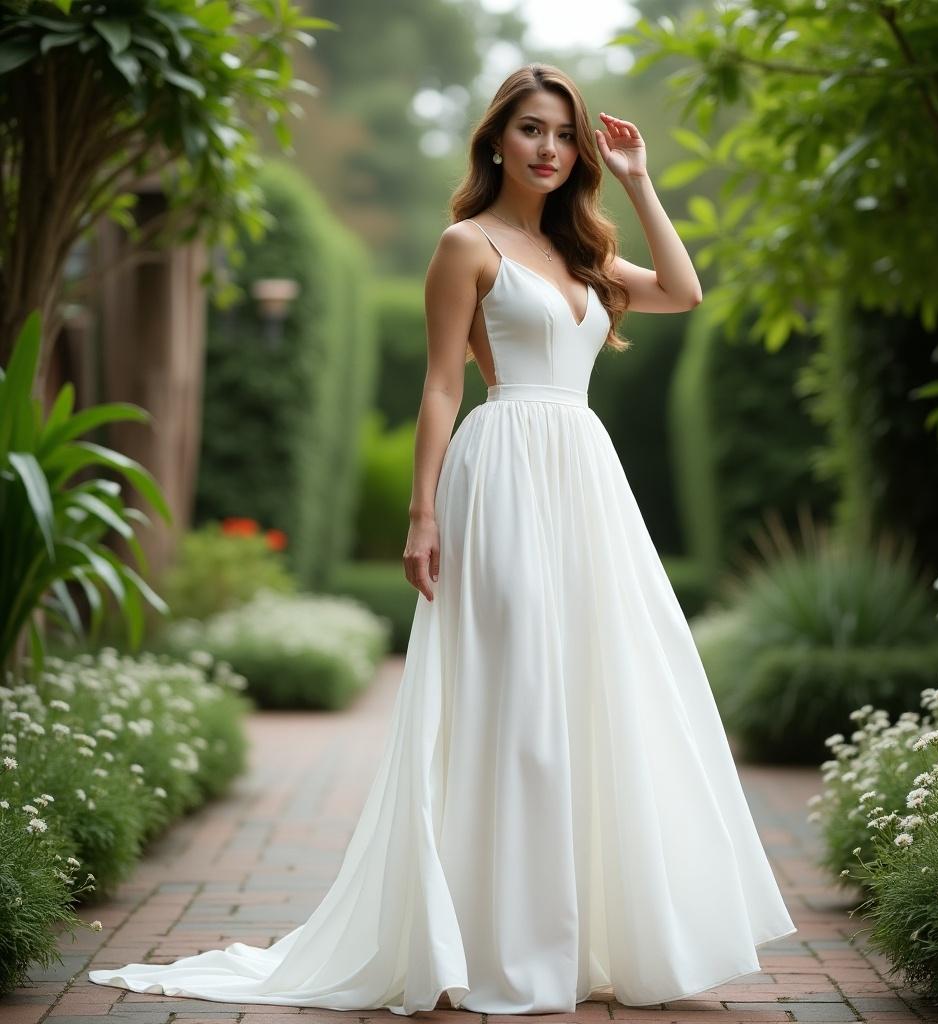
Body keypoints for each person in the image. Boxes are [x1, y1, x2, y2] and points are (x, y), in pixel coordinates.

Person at [89, 62, 796, 1016]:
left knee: (599, 687)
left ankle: (586, 933)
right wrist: (424, 513)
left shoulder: (582, 255)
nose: (549, 149)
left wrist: (637, 178)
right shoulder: (465, 245)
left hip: (586, 478)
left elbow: (683, 291)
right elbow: (437, 387)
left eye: (563, 135)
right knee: (517, 694)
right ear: (497, 139)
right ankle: (502, 941)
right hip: (501, 471)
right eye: (533, 130)